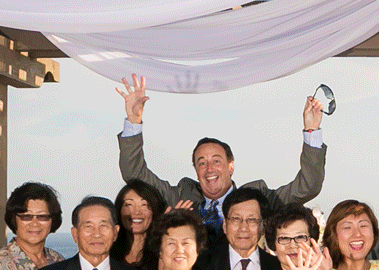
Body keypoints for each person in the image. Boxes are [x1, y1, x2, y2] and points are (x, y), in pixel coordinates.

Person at [114, 73, 327, 227]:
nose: (209, 168)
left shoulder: (257, 198)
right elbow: (135, 174)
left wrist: (311, 130)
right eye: (202, 163)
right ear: (195, 170)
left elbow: (308, 186)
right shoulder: (180, 195)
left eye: (216, 161)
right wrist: (134, 120)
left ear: (230, 166)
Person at [203, 187, 286, 270]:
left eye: (251, 220)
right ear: (224, 225)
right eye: (236, 219)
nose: (243, 228)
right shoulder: (201, 266)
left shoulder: (280, 269)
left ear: (263, 227)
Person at [109, 180, 168, 270]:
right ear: (119, 211)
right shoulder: (108, 251)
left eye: (144, 205)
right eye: (129, 205)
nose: (136, 212)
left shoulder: (163, 252)